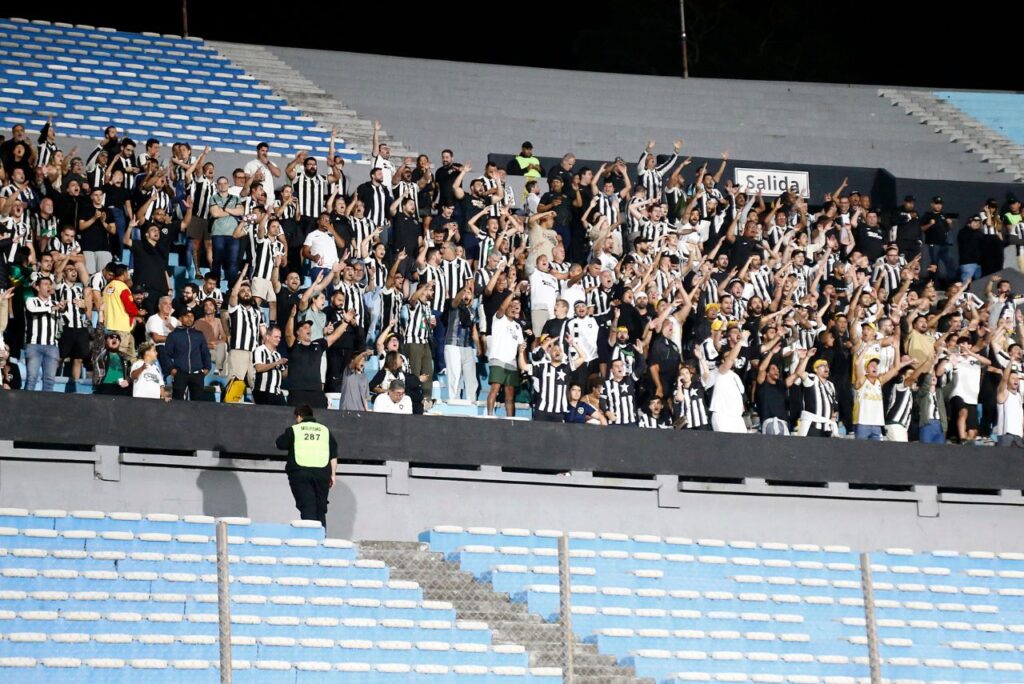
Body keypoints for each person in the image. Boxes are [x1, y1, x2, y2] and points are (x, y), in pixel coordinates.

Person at [274, 404, 338, 531]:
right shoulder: (324, 430)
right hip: (322, 474)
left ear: (298, 416)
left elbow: (280, 444)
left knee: (307, 506)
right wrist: (333, 475)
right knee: (320, 509)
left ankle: (310, 539)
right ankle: (321, 539)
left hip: (300, 473)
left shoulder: (294, 429)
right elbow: (333, 455)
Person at [163, 308, 212, 400]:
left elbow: (205, 352)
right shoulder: (173, 335)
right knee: (177, 401)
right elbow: (166, 354)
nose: (189, 319)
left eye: (191, 316)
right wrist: (172, 369)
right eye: (186, 316)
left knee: (198, 403)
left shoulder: (199, 334)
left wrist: (207, 368)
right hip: (180, 373)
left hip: (197, 373)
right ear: (180, 319)